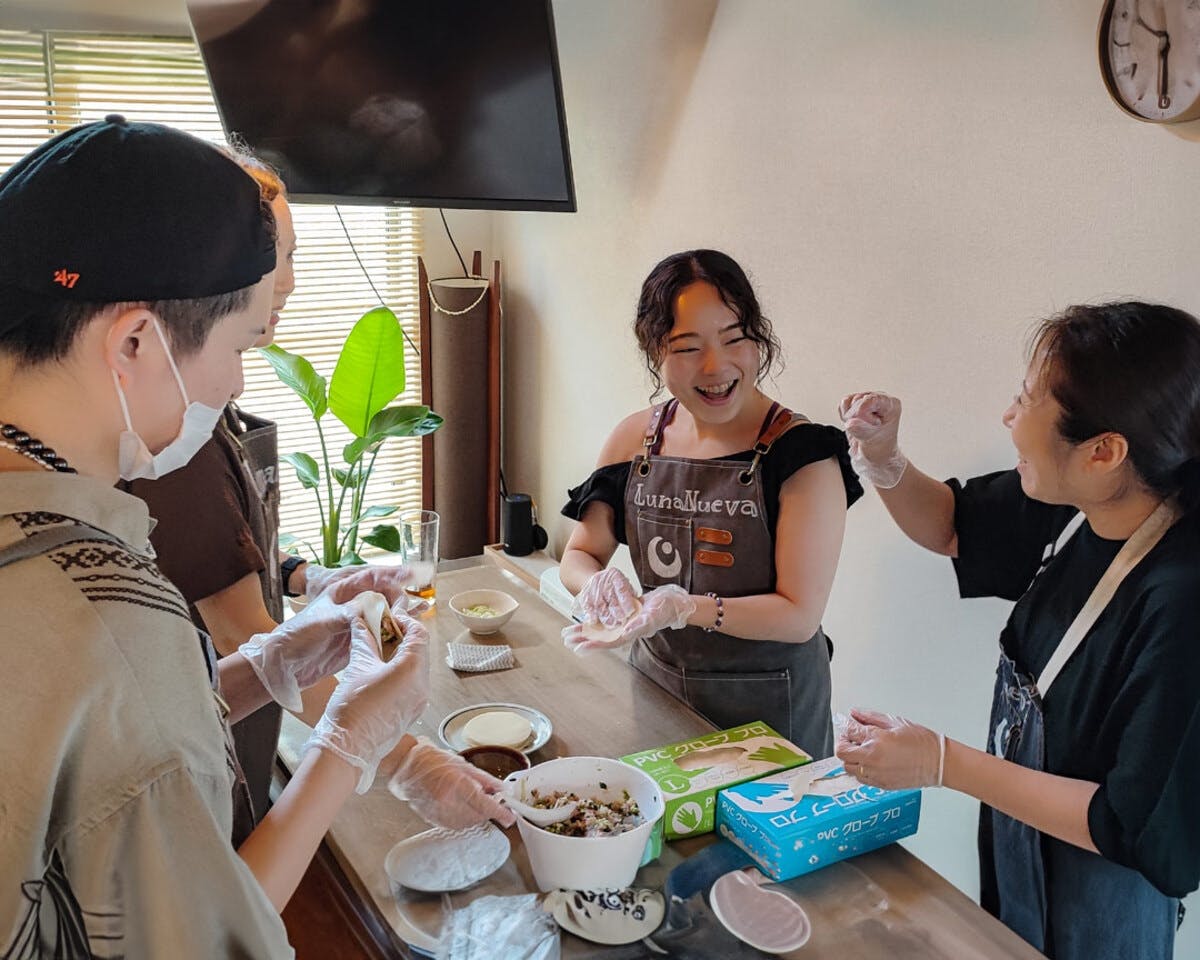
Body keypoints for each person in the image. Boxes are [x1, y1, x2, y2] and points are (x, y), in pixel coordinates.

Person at [0, 118, 505, 959]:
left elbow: (88, 763)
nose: (238, 378)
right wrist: (351, 744)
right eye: (239, 342)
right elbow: (213, 935)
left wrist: (264, 667)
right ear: (132, 341)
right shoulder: (103, 616)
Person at [835, 301, 1200, 960]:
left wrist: (941, 761)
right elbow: (954, 526)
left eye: (1026, 399)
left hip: (1106, 903)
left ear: (1104, 451)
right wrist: (884, 460)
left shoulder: (1179, 600)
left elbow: (1127, 824)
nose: (1009, 417)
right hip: (1020, 859)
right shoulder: (1077, 503)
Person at [558, 250, 862, 758]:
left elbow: (798, 615)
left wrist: (682, 607)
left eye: (734, 338)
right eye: (688, 347)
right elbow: (579, 554)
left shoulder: (803, 455)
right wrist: (599, 585)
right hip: (657, 688)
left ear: (758, 338)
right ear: (655, 351)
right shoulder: (635, 440)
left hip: (772, 710)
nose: (716, 367)